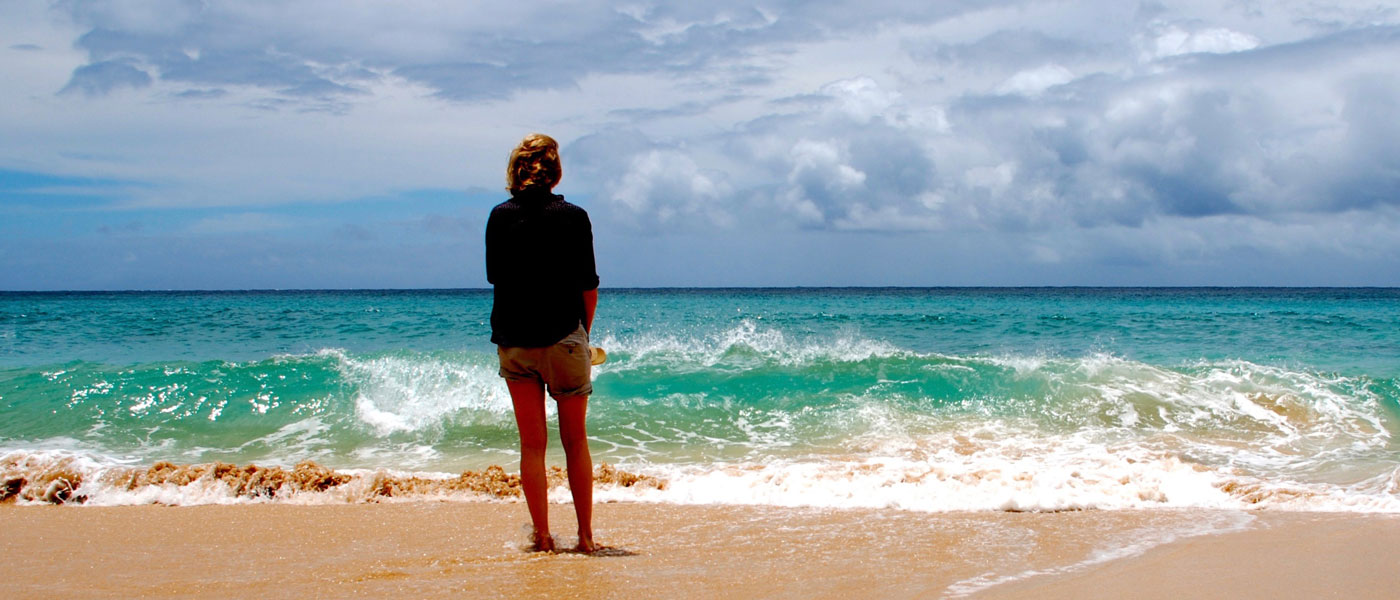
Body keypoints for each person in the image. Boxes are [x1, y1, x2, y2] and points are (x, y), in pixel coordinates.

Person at [485, 133, 600, 553]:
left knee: (532, 445)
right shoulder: (574, 216)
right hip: (564, 338)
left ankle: (545, 537)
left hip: (515, 340)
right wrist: (583, 334)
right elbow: (589, 286)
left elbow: (496, 278)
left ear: (516, 169)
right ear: (555, 171)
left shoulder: (499, 217)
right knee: (575, 441)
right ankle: (585, 537)